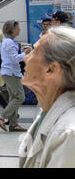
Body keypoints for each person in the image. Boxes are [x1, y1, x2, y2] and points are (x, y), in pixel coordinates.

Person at [19, 25, 75, 167]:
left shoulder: (68, 134)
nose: (25, 58)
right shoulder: (45, 113)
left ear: (51, 69)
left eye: (33, 52)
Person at [0, 20, 30, 132]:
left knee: (13, 98)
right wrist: (26, 53)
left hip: (9, 72)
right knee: (20, 97)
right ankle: (2, 117)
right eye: (17, 28)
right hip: (11, 73)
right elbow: (15, 58)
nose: (19, 29)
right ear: (12, 29)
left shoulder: (8, 41)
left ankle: (14, 124)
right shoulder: (9, 42)